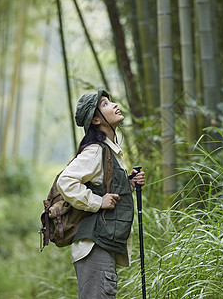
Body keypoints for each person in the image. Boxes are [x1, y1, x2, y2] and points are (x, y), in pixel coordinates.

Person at [57, 88, 146, 298]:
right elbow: (66, 181)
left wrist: (128, 183)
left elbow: (104, 184)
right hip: (94, 247)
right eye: (105, 104)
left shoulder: (109, 151)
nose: (114, 105)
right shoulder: (96, 150)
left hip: (101, 246)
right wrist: (97, 202)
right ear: (96, 120)